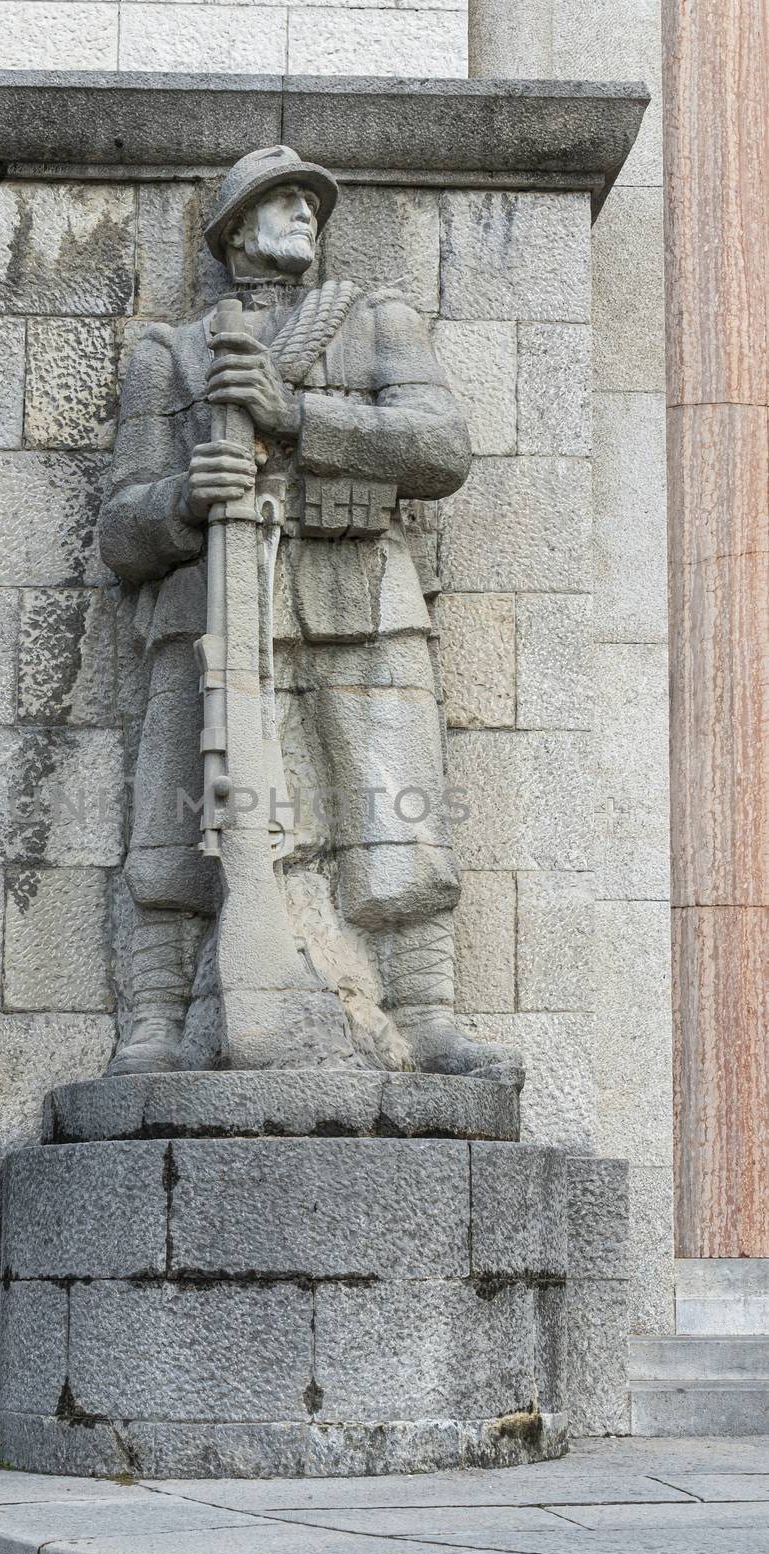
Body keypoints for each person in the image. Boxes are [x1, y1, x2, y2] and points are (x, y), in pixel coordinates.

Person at [100, 145, 520, 1083]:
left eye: (309, 202)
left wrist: (297, 417)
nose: (302, 213)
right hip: (212, 614)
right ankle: (157, 1022)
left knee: (393, 807)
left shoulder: (374, 322)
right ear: (233, 230)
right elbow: (120, 532)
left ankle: (424, 1015)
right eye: (278, 200)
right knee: (178, 821)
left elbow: (440, 450)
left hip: (360, 601)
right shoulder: (170, 352)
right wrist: (181, 500)